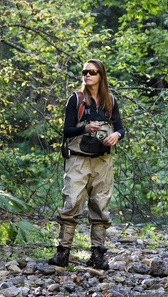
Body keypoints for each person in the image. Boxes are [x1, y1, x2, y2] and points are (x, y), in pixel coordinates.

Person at [49, 59, 125, 270]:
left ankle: (97, 255)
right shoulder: (76, 99)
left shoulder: (110, 100)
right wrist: (85, 128)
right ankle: (63, 253)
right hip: (77, 159)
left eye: (92, 72)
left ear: (101, 75)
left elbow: (120, 127)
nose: (87, 75)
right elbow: (66, 131)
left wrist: (117, 135)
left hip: (103, 161)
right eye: (85, 72)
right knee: (71, 202)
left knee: (100, 206)